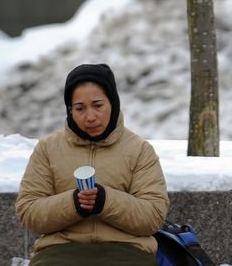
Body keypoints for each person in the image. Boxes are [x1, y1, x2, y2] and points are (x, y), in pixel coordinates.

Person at [16, 63, 169, 265]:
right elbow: (29, 211)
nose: (90, 117)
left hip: (128, 252)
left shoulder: (139, 150)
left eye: (98, 105)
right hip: (59, 252)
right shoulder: (48, 148)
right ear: (70, 110)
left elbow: (153, 216)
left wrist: (105, 200)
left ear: (113, 103)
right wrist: (74, 203)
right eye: (80, 108)